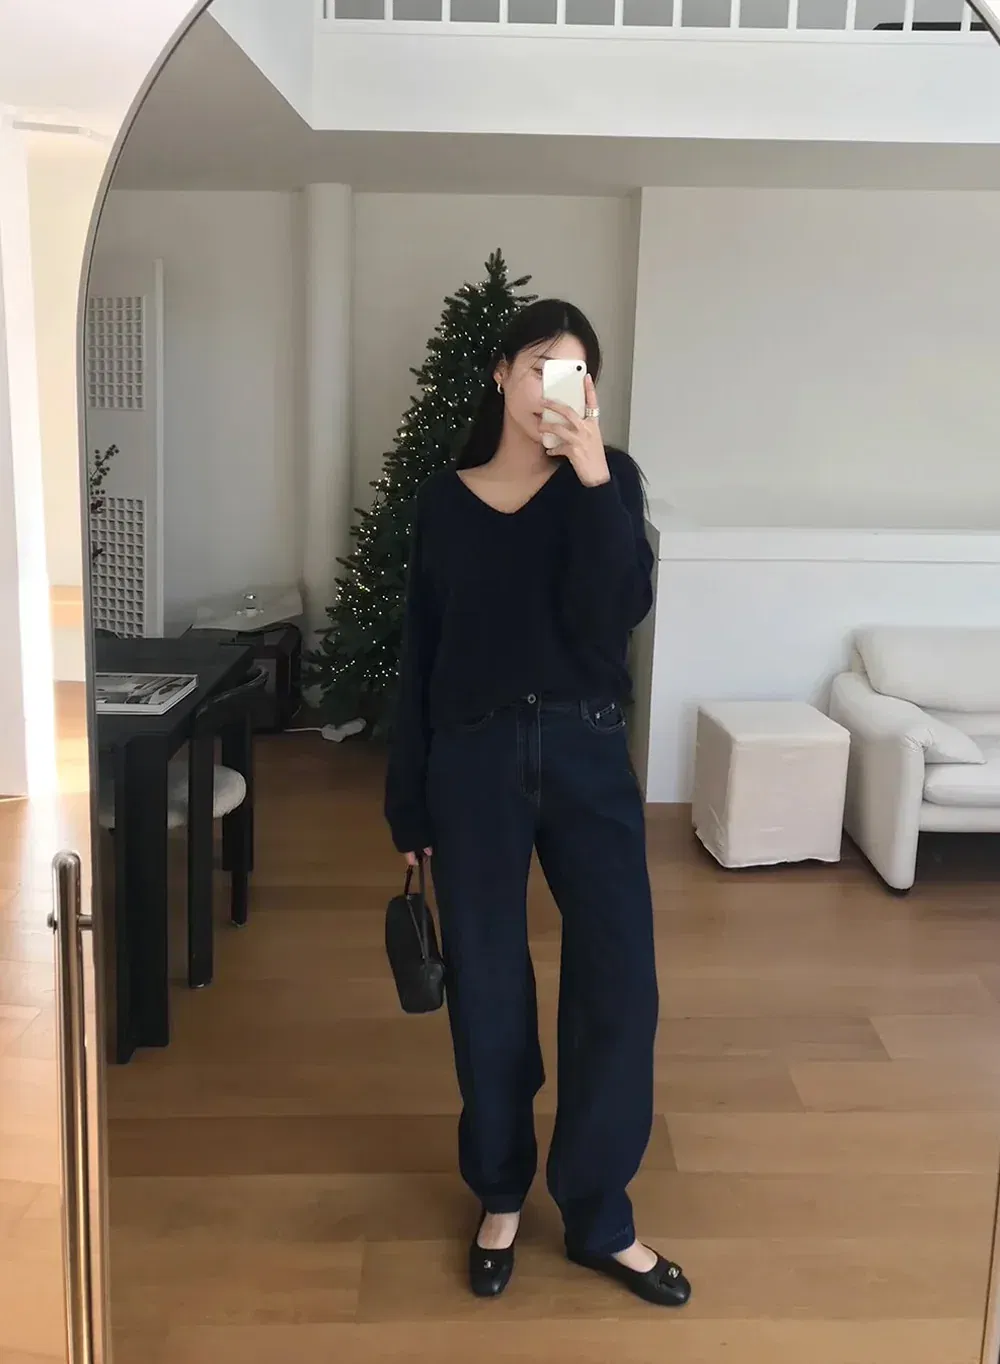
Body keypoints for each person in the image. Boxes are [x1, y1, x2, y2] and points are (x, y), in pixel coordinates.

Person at [384, 298, 691, 1309]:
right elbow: (421, 654)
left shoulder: (609, 484)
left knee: (620, 979)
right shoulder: (444, 502)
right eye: (541, 368)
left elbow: (618, 612)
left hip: (586, 749)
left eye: (578, 372)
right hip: (470, 759)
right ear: (501, 376)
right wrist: (407, 805)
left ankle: (600, 1214)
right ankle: (501, 1193)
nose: (561, 387)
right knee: (486, 982)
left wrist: (596, 476)